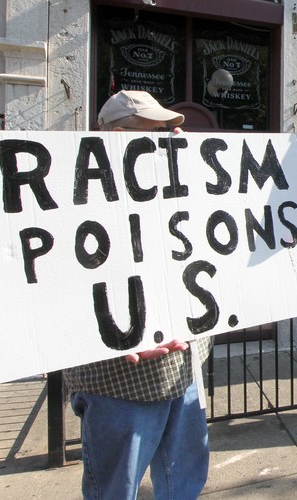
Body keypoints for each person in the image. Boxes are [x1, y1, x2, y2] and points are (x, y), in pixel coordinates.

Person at [63, 90, 213, 499]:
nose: (164, 141)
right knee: (116, 489)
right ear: (114, 136)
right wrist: (116, 338)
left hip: (184, 372)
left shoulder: (180, 189)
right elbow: (54, 293)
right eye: (152, 133)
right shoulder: (73, 198)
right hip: (119, 384)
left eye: (167, 132)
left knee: (184, 483)